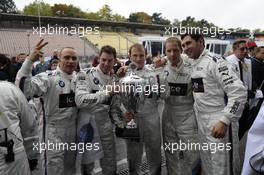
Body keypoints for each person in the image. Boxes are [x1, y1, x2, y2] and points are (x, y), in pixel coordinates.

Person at [181, 33, 247, 175]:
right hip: (202, 121)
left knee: (222, 167)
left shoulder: (216, 62)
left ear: (201, 42)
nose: (185, 48)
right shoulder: (192, 61)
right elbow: (177, 58)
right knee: (208, 164)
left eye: (189, 43)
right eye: (183, 45)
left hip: (219, 120)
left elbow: (239, 93)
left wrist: (225, 120)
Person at [15, 39, 78, 175]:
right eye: (66, 57)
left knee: (70, 168)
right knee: (53, 168)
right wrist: (29, 61)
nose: (71, 61)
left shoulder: (80, 79)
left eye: (74, 58)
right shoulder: (48, 77)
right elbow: (23, 89)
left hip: (73, 130)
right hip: (52, 132)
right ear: (59, 59)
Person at [75, 45, 119, 175]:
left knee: (110, 162)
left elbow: (114, 106)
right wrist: (105, 93)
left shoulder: (114, 78)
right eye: (103, 59)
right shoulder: (85, 74)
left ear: (114, 61)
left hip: (105, 123)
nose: (106, 63)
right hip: (87, 123)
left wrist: (121, 120)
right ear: (98, 58)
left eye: (109, 60)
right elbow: (80, 100)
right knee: (87, 165)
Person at [159, 37, 200, 174]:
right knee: (170, 152)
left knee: (192, 152)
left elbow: (200, 94)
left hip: (187, 115)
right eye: (168, 51)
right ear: (165, 52)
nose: (172, 54)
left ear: (181, 50)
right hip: (168, 114)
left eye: (175, 50)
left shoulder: (192, 66)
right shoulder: (160, 68)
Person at [120, 43, 162, 175]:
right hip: (133, 118)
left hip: (151, 117)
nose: (138, 59)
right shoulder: (123, 74)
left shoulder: (154, 72)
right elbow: (118, 99)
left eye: (141, 55)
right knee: (133, 153)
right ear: (129, 56)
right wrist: (124, 111)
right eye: (135, 55)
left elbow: (161, 94)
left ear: (146, 56)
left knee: (154, 150)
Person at [0, 80, 38, 174]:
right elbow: (28, 125)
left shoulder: (10, 89)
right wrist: (31, 155)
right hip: (13, 158)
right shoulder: (10, 89)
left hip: (12, 156)